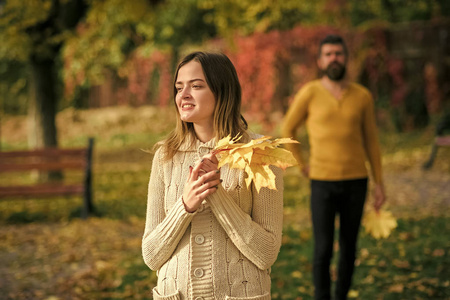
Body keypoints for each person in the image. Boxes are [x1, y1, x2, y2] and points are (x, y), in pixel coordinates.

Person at [142, 51, 284, 300]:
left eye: (196, 86)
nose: (183, 95)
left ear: (223, 91)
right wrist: (185, 206)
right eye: (179, 87)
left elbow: (266, 253)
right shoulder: (165, 156)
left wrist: (216, 195)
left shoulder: (260, 154)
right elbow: (151, 256)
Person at [281, 35, 386, 300]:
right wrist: (302, 165)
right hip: (321, 182)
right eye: (328, 54)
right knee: (323, 249)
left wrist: (379, 182)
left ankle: (341, 295)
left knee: (349, 248)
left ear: (346, 59)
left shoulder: (362, 96)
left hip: (356, 181)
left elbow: (372, 141)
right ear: (319, 61)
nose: (334, 58)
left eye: (338, 54)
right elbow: (287, 129)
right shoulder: (310, 92)